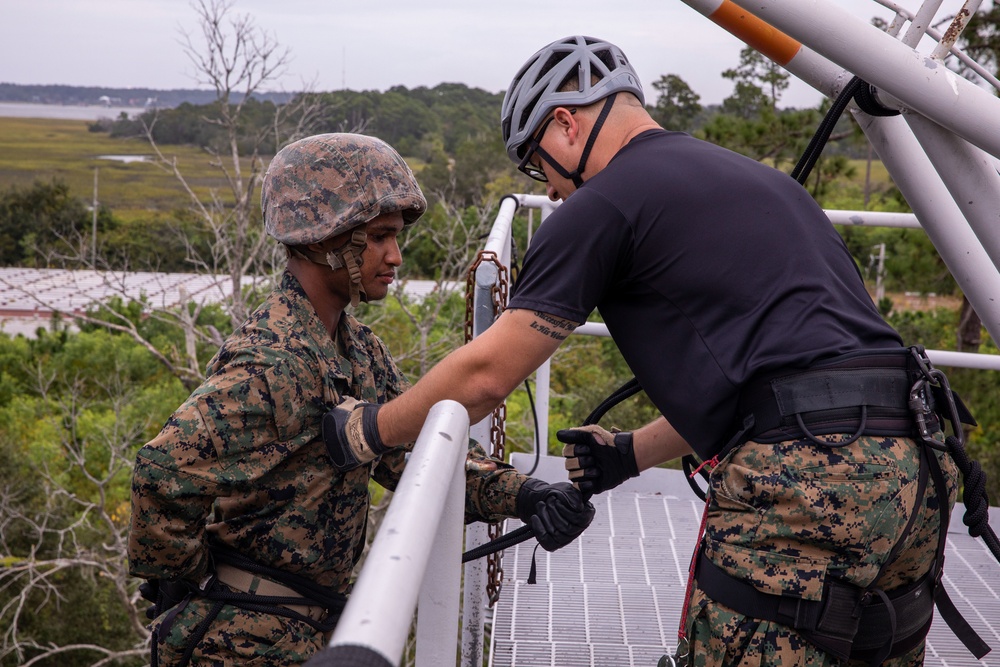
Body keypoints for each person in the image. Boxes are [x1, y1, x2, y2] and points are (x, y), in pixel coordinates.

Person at [322, 38, 982, 666]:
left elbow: (489, 373)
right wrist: (629, 453)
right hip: (918, 466)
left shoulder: (602, 204)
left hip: (806, 489)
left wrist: (368, 429)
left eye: (536, 164)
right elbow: (790, 382)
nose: (549, 190)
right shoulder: (765, 185)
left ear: (564, 126)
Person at [127, 133, 595, 667]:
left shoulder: (358, 351)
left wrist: (526, 495)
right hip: (240, 640)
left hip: (305, 628)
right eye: (379, 237)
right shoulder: (274, 363)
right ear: (325, 238)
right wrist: (190, 575)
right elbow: (160, 471)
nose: (395, 256)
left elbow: (407, 455)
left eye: (394, 237)